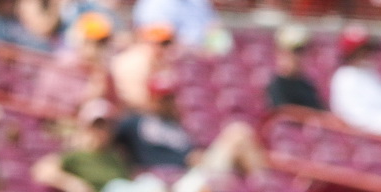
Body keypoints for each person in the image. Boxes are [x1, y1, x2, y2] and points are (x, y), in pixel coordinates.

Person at [113, 71, 267, 182]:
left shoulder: (176, 126)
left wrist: (195, 156)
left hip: (196, 173)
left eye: (170, 98)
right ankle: (263, 185)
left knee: (240, 131)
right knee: (238, 133)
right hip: (173, 178)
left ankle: (266, 187)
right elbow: (106, 133)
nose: (167, 102)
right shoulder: (136, 122)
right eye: (162, 98)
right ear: (152, 99)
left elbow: (191, 152)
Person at [33, 99, 156, 192]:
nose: (103, 130)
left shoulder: (117, 157)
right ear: (86, 127)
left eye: (108, 125)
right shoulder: (76, 155)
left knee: (149, 182)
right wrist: (71, 184)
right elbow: (42, 171)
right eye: (98, 125)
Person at [30, 11, 115, 116]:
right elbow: (46, 104)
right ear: (81, 41)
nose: (97, 48)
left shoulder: (103, 69)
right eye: (92, 42)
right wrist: (91, 93)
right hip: (55, 123)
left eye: (102, 42)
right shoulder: (63, 64)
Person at [331, 27, 381, 135]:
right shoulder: (345, 77)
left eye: (369, 50)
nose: (368, 55)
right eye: (364, 50)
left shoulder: (369, 73)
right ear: (353, 53)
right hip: (367, 138)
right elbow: (353, 116)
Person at [111, 21, 176, 111]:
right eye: (161, 43)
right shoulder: (136, 61)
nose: (166, 47)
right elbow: (137, 100)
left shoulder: (160, 60)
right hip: (133, 114)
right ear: (147, 42)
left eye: (168, 43)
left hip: (153, 111)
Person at [267, 24, 325, 111]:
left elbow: (321, 112)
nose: (297, 57)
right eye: (294, 51)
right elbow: (284, 116)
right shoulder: (277, 86)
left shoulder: (306, 85)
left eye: (300, 51)